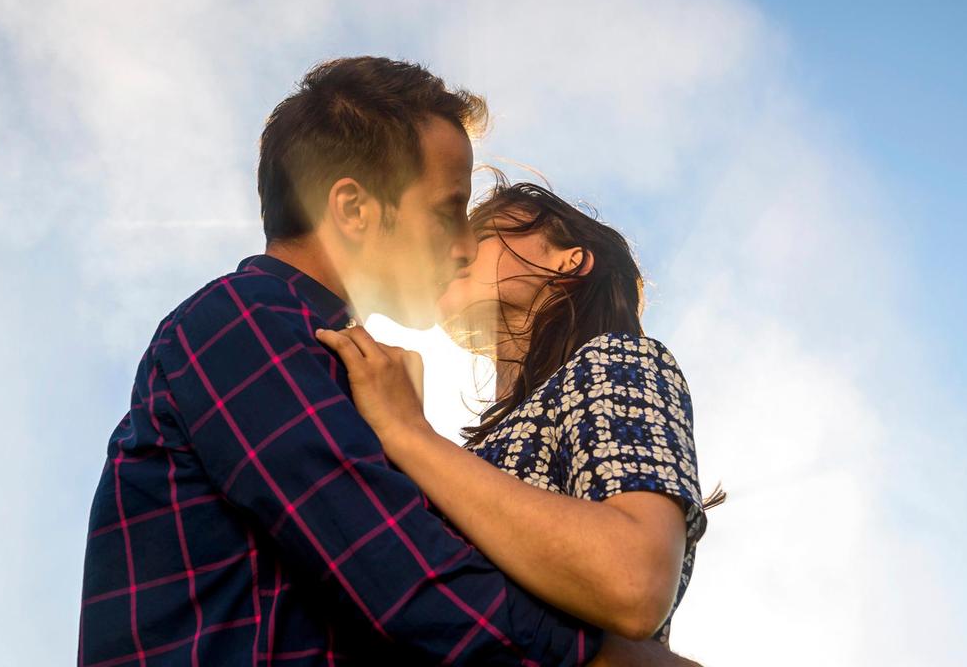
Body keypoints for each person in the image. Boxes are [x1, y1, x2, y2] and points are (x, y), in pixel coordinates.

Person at [78, 57, 607, 666]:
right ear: (354, 209)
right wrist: (606, 658)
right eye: (446, 211)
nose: (465, 245)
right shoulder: (244, 319)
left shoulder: (346, 363)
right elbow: (402, 576)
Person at [317, 179, 722, 666]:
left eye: (486, 231)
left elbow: (633, 579)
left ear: (568, 261)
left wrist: (408, 434)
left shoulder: (616, 358)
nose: (460, 248)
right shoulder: (479, 452)